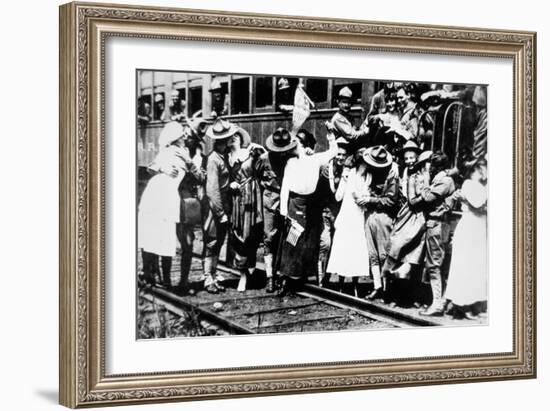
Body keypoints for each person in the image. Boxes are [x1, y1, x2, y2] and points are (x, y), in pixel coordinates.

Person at [278, 126, 338, 295]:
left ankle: (301, 278)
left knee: (308, 241)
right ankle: (286, 280)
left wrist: (331, 134)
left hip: (311, 204)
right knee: (292, 241)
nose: (293, 144)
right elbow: (285, 188)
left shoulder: (315, 159)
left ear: (304, 145)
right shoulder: (290, 162)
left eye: (296, 142)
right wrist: (284, 211)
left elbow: (334, 151)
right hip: (295, 203)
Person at [138, 122, 191, 289]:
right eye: (182, 135)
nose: (185, 137)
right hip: (164, 196)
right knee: (165, 236)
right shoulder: (181, 152)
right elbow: (195, 169)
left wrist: (162, 170)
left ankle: (152, 275)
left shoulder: (165, 152)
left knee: (155, 235)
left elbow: (151, 168)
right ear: (176, 139)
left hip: (156, 193)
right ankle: (162, 278)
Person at [382, 148, 431, 305]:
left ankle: (413, 297)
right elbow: (412, 200)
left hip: (422, 220)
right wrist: (427, 195)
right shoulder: (412, 178)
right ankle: (392, 295)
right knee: (398, 251)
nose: (410, 161)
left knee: (416, 261)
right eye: (407, 158)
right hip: (410, 218)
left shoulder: (429, 177)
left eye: (413, 158)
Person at [410, 151, 456, 316]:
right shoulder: (443, 179)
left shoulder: (444, 181)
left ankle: (437, 303)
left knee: (434, 265)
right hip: (437, 224)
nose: (428, 168)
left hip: (437, 224)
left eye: (431, 165)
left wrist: (424, 189)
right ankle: (439, 301)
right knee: (435, 264)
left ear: (436, 167)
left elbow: (427, 197)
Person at [255, 128, 298, 293]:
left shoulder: (293, 158)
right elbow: (258, 178)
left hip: (289, 201)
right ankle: (270, 277)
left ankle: (284, 276)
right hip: (270, 201)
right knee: (269, 238)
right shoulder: (264, 159)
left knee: (288, 238)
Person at [444, 158, 488, 319]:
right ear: (477, 169)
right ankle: (462, 306)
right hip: (470, 227)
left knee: (477, 266)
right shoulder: (469, 184)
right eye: (483, 168)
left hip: (479, 228)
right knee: (466, 266)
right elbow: (478, 204)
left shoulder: (481, 186)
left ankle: (474, 304)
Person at [326, 147, 372, 295]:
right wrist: (343, 182)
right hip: (347, 216)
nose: (365, 167)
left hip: (359, 217)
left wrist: (365, 199)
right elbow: (338, 197)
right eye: (363, 163)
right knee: (343, 247)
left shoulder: (369, 177)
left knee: (357, 249)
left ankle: (355, 284)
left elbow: (368, 196)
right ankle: (340, 283)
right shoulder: (349, 174)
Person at [357, 146, 400, 300]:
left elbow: (391, 201)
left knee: (384, 255)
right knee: (373, 254)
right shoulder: (370, 173)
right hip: (370, 216)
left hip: (383, 217)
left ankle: (388, 289)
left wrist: (370, 199)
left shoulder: (391, 176)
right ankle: (377, 286)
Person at [227, 126, 264, 292]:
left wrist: (259, 150)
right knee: (238, 235)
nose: (234, 138)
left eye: (236, 135)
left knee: (252, 233)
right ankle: (242, 274)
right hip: (236, 200)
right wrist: (230, 184)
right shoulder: (225, 157)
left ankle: (251, 270)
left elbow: (264, 159)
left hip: (252, 197)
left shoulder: (250, 151)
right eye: (231, 136)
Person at [174, 118, 208, 295]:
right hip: (175, 198)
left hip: (191, 202)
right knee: (182, 240)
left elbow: (202, 178)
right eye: (186, 134)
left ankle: (184, 280)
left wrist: (191, 167)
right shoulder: (177, 152)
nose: (186, 137)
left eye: (190, 136)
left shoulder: (200, 158)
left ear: (195, 140)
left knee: (189, 242)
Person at [203, 118, 238, 293]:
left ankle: (213, 275)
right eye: (230, 138)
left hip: (223, 203)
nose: (232, 140)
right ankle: (208, 278)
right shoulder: (213, 160)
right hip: (215, 207)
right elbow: (212, 189)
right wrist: (220, 213)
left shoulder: (223, 156)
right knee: (212, 242)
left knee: (218, 242)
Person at [318, 138, 349, 285]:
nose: (341, 158)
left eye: (343, 155)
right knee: (325, 244)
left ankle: (332, 277)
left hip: (340, 215)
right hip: (325, 212)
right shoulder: (325, 170)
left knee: (339, 245)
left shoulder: (348, 171)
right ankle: (321, 277)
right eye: (339, 154)